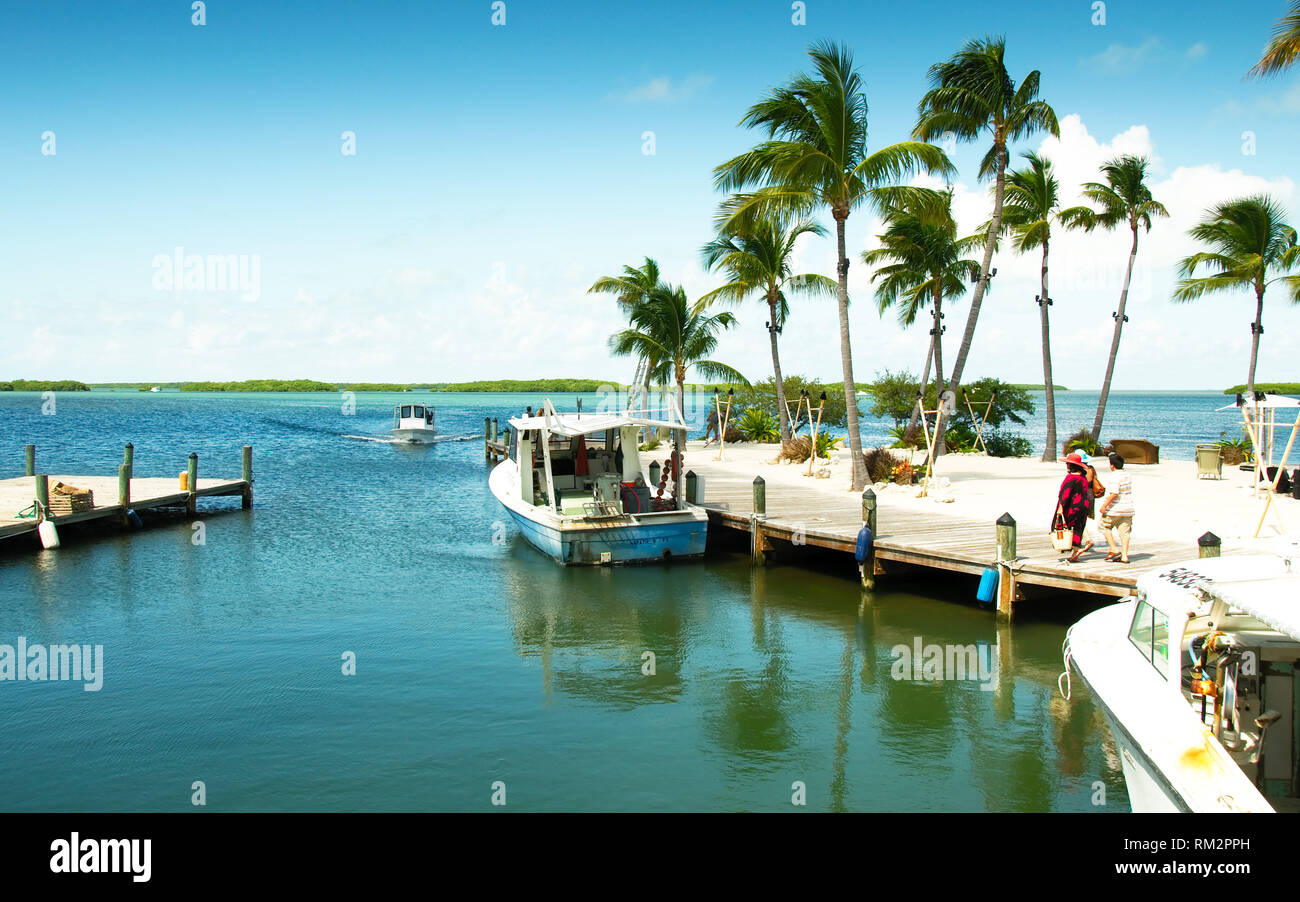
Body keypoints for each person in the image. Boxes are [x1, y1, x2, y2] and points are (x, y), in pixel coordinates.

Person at [1055, 452, 1092, 563]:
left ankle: (1066, 547)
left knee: (1067, 528)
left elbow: (1064, 494)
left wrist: (1060, 507)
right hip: (1083, 506)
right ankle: (1075, 554)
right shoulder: (1083, 477)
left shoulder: (1070, 478)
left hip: (1072, 506)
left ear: (1070, 465)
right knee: (1078, 529)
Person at [1099, 452, 1135, 563]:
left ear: (1112, 465)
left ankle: (1114, 549)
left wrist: (1104, 505)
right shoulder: (1127, 474)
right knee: (1125, 532)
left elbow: (1114, 493)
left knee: (1103, 526)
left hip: (1115, 508)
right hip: (1128, 507)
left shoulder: (1114, 476)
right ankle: (1124, 556)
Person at [1082, 461, 1106, 554]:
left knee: (1079, 519)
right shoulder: (1091, 469)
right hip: (1090, 495)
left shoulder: (1082, 471)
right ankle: (1084, 539)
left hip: (1084, 495)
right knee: (1083, 518)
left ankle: (1088, 539)